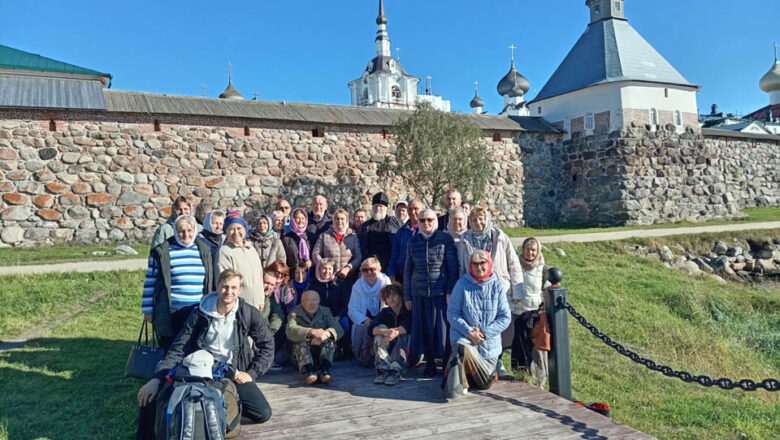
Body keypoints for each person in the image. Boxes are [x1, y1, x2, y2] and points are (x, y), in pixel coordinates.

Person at [136, 269, 274, 438]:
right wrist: (157, 378)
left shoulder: (248, 313)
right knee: (154, 396)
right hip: (199, 370)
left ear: (240, 289)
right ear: (217, 286)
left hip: (232, 371)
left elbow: (267, 345)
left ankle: (221, 414)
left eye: (233, 287)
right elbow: (178, 348)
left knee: (262, 412)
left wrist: (251, 373)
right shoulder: (200, 313)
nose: (228, 292)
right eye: (224, 287)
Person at [459, 207, 523, 377]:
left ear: (486, 219)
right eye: (474, 220)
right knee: (480, 323)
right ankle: (482, 362)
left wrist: (518, 291)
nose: (478, 223)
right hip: (474, 288)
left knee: (501, 326)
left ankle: (497, 362)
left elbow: (513, 263)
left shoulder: (499, 237)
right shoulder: (465, 239)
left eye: (481, 219)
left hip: (499, 286)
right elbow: (461, 267)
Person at [444, 251, 511, 399]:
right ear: (470, 265)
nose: (479, 267)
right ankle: (455, 390)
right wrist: (468, 332)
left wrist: (484, 332)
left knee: (483, 384)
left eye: (483, 263)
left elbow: (505, 317)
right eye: (475, 263)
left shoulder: (497, 286)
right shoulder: (461, 284)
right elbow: (452, 313)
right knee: (461, 345)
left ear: (489, 264)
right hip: (466, 341)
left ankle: (460, 380)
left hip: (488, 351)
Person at [142, 214, 213, 349]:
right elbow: (150, 281)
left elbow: (209, 281)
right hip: (172, 312)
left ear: (194, 231)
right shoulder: (163, 251)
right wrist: (148, 311)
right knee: (171, 351)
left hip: (198, 311)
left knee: (194, 350)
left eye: (189, 230)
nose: (186, 234)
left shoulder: (203, 250)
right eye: (181, 231)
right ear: (175, 231)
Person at [404, 208, 458, 377]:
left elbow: (452, 268)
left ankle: (446, 363)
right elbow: (407, 269)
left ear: (434, 220)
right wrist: (407, 295)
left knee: (442, 330)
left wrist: (450, 290)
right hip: (419, 293)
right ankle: (429, 363)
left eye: (429, 220)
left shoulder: (445, 239)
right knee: (424, 329)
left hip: (440, 292)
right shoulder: (414, 241)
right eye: (422, 221)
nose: (426, 223)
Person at [512, 237, 550, 386]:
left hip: (534, 313)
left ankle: (539, 380)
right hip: (517, 312)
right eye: (528, 249)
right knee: (519, 347)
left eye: (533, 249)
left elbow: (546, 290)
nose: (530, 252)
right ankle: (520, 376)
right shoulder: (515, 265)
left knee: (536, 349)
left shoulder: (543, 269)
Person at [286, 290, 344, 385]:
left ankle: (324, 370)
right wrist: (311, 332)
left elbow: (338, 329)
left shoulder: (325, 311)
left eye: (314, 300)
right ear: (302, 302)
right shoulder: (294, 313)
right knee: (302, 341)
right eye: (308, 300)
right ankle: (310, 371)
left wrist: (326, 334)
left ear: (319, 301)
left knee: (329, 340)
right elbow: (290, 330)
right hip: (301, 357)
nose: (311, 303)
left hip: (320, 351)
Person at [348, 257, 391, 364]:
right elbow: (352, 310)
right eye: (365, 270)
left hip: (384, 320)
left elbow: (390, 306)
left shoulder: (386, 282)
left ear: (379, 269)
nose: (369, 273)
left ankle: (383, 359)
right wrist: (366, 321)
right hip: (365, 322)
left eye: (372, 269)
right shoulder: (357, 285)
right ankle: (366, 356)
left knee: (383, 329)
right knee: (362, 329)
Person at [218, 215, 265, 310]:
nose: (236, 232)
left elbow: (259, 276)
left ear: (244, 229)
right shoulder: (225, 252)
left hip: (256, 305)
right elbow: (225, 282)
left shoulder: (251, 249)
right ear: (226, 232)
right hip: (238, 307)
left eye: (239, 228)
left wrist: (261, 299)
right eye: (231, 229)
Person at [369, 283, 411, 386]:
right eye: (388, 296)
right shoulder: (385, 312)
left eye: (394, 295)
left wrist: (394, 333)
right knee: (380, 330)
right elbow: (371, 329)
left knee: (403, 335)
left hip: (408, 354)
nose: (391, 299)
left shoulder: (408, 311)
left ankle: (396, 370)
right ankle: (382, 368)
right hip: (388, 351)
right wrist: (385, 332)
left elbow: (409, 326)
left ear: (400, 296)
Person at [312, 208, 361, 289]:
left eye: (342, 219)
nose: (339, 221)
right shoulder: (324, 236)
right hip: (328, 280)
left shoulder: (353, 236)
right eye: (337, 218)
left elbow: (358, 256)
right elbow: (315, 253)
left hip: (348, 279)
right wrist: (323, 265)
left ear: (347, 221)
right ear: (333, 220)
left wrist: (348, 268)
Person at [358, 192, 401, 271]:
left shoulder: (394, 223)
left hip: (390, 267)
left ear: (386, 208)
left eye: (381, 206)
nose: (378, 208)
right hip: (370, 269)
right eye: (376, 206)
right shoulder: (364, 227)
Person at [388, 198, 424, 284]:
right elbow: (394, 255)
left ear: (422, 210)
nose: (412, 212)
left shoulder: (426, 230)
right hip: (402, 277)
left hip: (421, 277)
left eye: (416, 209)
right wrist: (392, 275)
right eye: (410, 209)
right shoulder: (400, 232)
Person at [198, 209, 225, 290]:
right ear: (208, 223)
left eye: (221, 223)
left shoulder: (225, 240)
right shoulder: (200, 240)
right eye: (215, 223)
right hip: (205, 280)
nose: (218, 226)